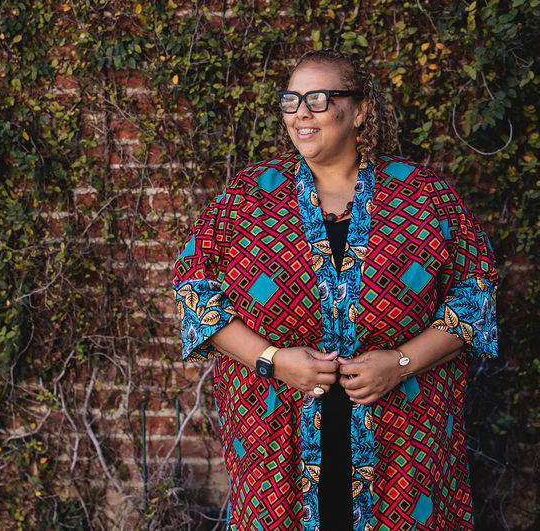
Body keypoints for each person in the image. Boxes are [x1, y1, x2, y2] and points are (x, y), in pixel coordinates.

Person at [173, 50, 499, 530]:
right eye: (291, 100)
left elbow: (476, 296)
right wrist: (274, 360)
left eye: (319, 99)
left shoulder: (423, 196)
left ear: (360, 109)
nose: (301, 112)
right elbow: (195, 293)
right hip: (275, 432)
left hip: (404, 430)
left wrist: (400, 362)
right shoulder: (247, 199)